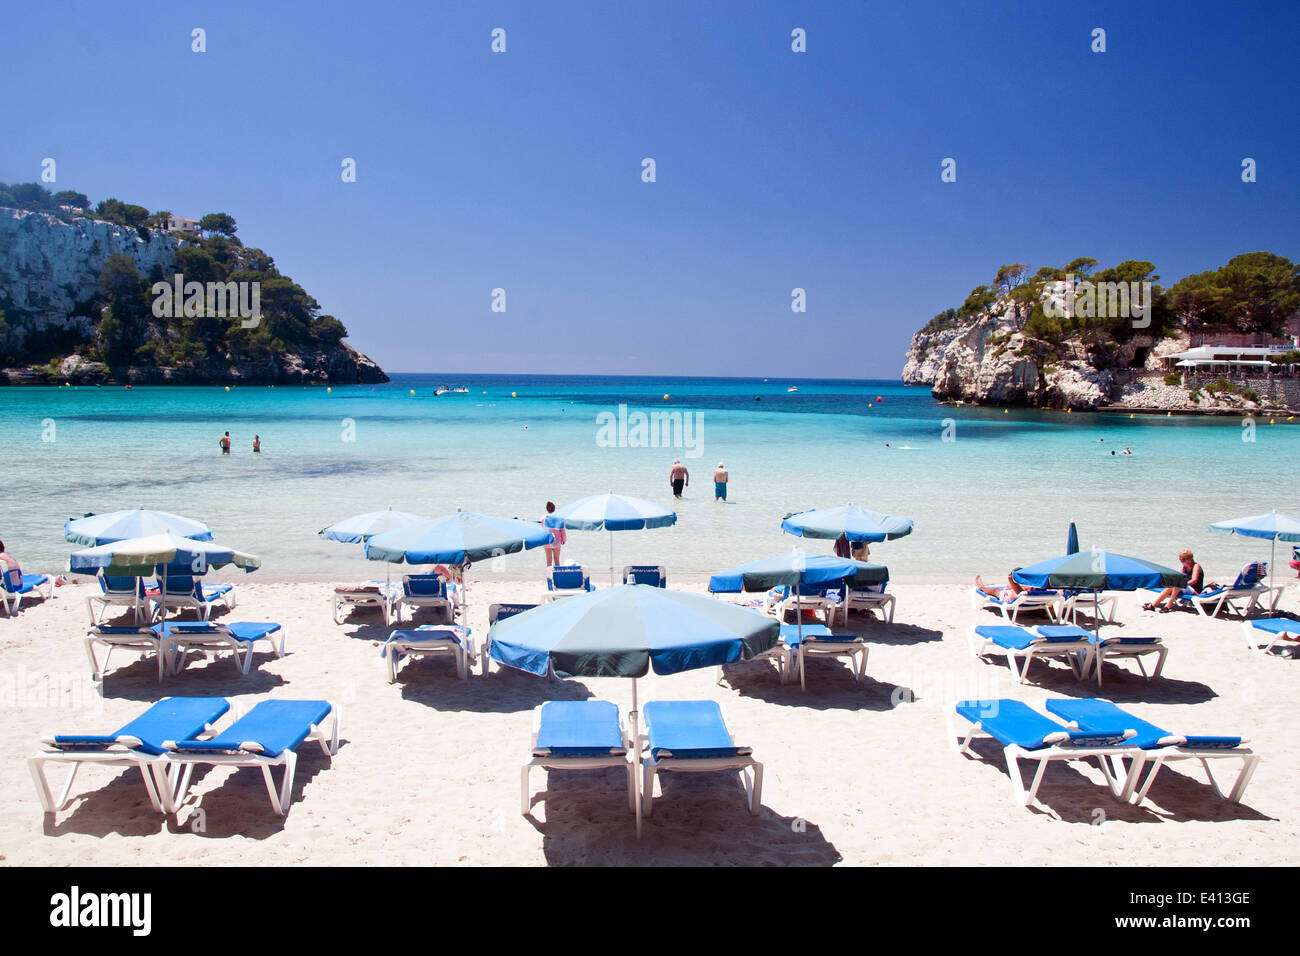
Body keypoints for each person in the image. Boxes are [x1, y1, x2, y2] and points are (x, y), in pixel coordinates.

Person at [541, 501, 566, 567]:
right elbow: (562, 529)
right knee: (557, 560)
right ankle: (557, 576)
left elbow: (541, 528)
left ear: (547, 509)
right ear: (554, 509)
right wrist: (564, 539)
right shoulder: (559, 518)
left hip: (547, 541)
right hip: (557, 541)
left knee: (549, 560)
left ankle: (549, 576)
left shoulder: (543, 517)